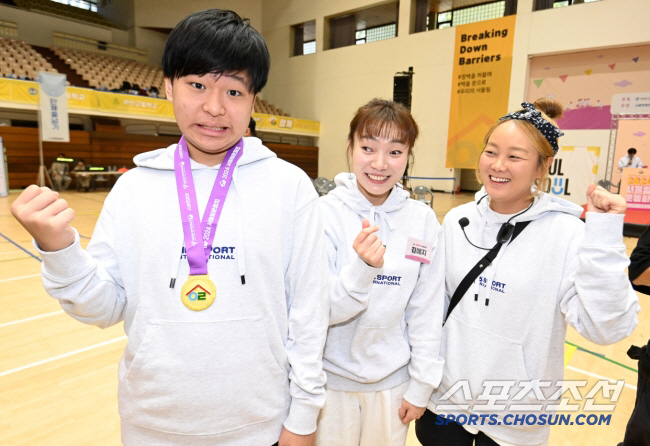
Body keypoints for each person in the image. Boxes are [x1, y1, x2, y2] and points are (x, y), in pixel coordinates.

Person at [11, 9, 328, 446]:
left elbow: (309, 312)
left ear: (253, 101)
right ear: (167, 87)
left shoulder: (289, 187)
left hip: (261, 424)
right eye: (197, 85)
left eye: (233, 91)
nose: (214, 107)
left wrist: (305, 416)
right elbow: (103, 307)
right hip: (153, 424)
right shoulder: (133, 189)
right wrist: (59, 249)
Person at [415, 99, 639, 446]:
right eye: (491, 152)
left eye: (515, 156)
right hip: (445, 402)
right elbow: (432, 309)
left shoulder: (566, 234)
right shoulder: (459, 222)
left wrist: (605, 234)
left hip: (513, 417)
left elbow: (608, 328)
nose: (498, 165)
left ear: (542, 166)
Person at [316, 99, 445, 446]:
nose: (379, 163)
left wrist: (421, 384)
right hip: (330, 384)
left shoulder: (422, 221)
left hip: (393, 386)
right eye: (368, 148)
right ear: (351, 147)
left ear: (408, 156)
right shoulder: (323, 214)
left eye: (394, 152)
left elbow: (427, 309)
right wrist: (361, 271)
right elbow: (315, 310)